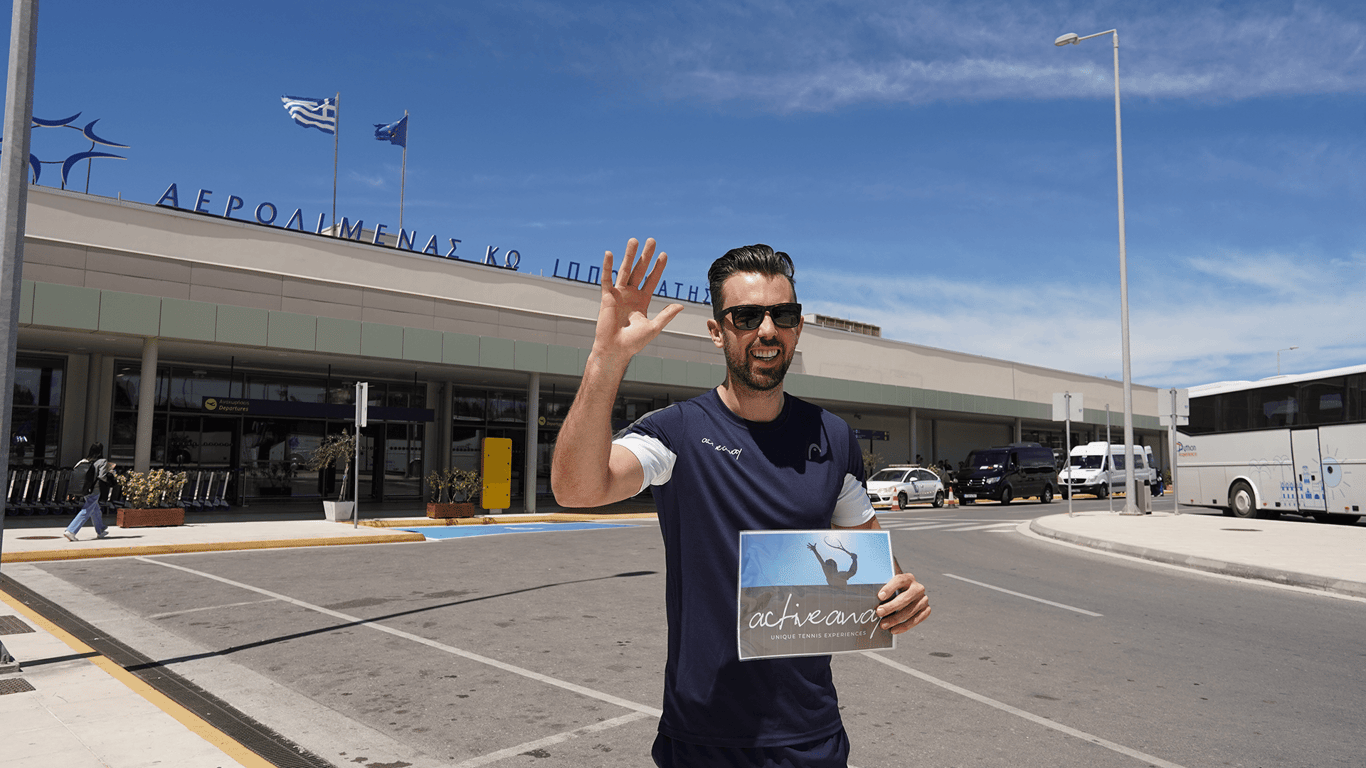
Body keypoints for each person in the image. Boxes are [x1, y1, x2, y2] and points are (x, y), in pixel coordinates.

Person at [552, 238, 930, 767]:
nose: (767, 330)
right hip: (703, 740)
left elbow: (877, 570)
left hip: (811, 739)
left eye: (783, 314)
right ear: (717, 331)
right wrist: (605, 361)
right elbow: (576, 488)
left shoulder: (834, 438)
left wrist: (901, 597)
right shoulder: (676, 434)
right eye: (747, 315)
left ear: (798, 327)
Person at [63, 443, 114, 541]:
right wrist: (110, 474)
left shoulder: (84, 461)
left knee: (95, 509)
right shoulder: (102, 461)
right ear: (100, 451)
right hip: (95, 489)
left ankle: (101, 530)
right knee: (87, 510)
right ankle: (71, 531)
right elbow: (102, 476)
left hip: (86, 489)